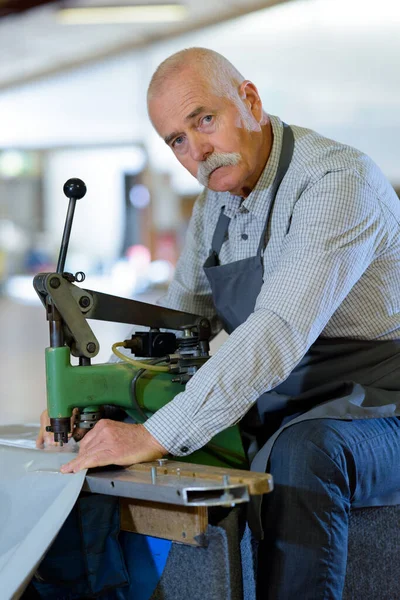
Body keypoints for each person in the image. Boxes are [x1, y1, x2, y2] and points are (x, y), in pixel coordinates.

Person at [37, 48, 400, 598]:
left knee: (307, 453)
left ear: (249, 101)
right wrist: (88, 399)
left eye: (204, 119)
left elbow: (275, 331)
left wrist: (153, 433)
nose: (198, 149)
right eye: (177, 140)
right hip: (292, 403)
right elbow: (181, 320)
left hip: (383, 406)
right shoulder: (220, 203)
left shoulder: (336, 182)